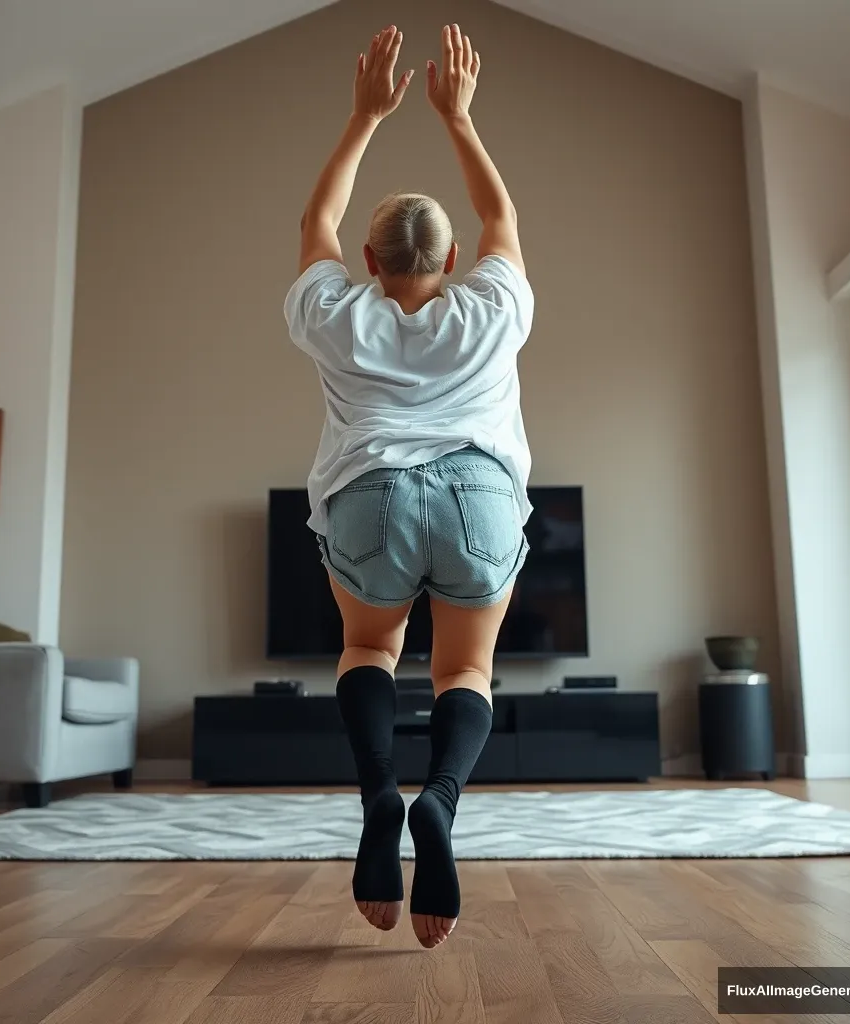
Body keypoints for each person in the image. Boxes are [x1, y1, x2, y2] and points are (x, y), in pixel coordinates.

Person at [284, 23, 534, 949]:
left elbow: (315, 226)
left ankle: (381, 796)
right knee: (467, 666)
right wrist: (457, 119)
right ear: (454, 259)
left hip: (370, 501)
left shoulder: (336, 312)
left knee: (370, 652)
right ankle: (440, 800)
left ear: (373, 264)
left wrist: (364, 118)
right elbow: (503, 220)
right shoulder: (492, 308)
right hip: (479, 499)